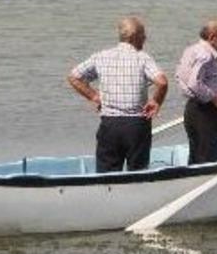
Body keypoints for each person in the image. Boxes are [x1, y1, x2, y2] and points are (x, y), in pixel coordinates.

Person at [67, 16, 168, 173]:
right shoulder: (142, 58)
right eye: (143, 34)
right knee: (138, 175)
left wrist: (94, 96)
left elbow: (74, 77)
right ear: (134, 37)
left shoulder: (101, 56)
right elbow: (162, 82)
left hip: (110, 125)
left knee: (106, 176)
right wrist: (156, 102)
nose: (145, 38)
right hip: (136, 125)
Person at [175, 20, 217, 164]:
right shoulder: (206, 55)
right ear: (212, 37)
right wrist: (215, 99)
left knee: (195, 155)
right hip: (206, 113)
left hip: (192, 109)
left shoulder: (190, 50)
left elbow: (179, 77)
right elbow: (194, 83)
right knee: (208, 158)